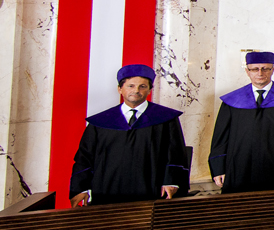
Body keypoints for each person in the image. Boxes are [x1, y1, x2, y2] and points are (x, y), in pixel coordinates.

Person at [70, 64, 189, 205]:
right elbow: (84, 156)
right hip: (106, 191)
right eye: (130, 86)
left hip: (151, 189)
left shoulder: (166, 119)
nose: (136, 91)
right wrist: (81, 188)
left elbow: (176, 153)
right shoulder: (100, 122)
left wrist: (171, 182)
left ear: (150, 89)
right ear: (120, 89)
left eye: (142, 86)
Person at [209, 51, 274, 193]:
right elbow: (221, 137)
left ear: (273, 70)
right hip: (239, 165)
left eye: (265, 68)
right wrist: (218, 167)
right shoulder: (232, 100)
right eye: (255, 69)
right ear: (247, 71)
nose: (260, 73)